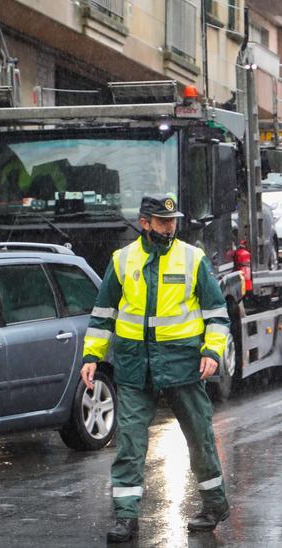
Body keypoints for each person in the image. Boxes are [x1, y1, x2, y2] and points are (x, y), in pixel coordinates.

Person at [80, 192, 232, 542]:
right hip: (135, 367)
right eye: (163, 221)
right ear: (144, 223)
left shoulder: (191, 259)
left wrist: (212, 351)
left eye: (173, 220)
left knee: (200, 439)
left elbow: (217, 314)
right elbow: (103, 315)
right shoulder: (122, 261)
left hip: (183, 365)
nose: (170, 226)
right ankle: (126, 516)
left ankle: (215, 505)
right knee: (130, 444)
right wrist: (91, 357)